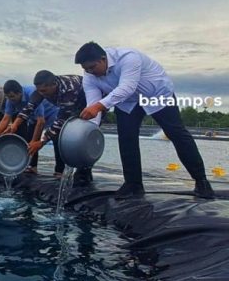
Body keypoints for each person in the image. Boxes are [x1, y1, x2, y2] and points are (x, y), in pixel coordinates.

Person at [74, 42, 215, 199]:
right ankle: (133, 185)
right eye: (86, 69)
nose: (90, 72)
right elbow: (93, 107)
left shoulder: (128, 58)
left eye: (92, 67)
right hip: (127, 102)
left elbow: (128, 87)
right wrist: (89, 131)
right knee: (127, 139)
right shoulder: (89, 76)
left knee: (176, 133)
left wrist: (100, 106)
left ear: (103, 59)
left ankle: (202, 182)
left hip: (157, 95)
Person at [10, 70, 94, 186]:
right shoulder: (41, 90)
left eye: (44, 91)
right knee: (60, 134)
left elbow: (61, 120)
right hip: (70, 108)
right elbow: (29, 108)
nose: (42, 94)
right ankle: (70, 171)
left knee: (84, 136)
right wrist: (15, 124)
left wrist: (42, 142)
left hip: (90, 105)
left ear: (54, 84)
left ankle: (84, 173)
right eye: (39, 91)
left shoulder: (68, 89)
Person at [0, 80, 59, 174]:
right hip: (33, 118)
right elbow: (5, 119)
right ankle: (32, 167)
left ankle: (59, 171)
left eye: (13, 97)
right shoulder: (10, 100)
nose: (11, 99)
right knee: (29, 141)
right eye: (8, 97)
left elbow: (41, 121)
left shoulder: (32, 95)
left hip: (52, 114)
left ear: (20, 93)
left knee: (55, 140)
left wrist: (35, 141)